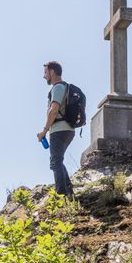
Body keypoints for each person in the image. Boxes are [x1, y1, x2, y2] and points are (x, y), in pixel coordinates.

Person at [37, 61, 75, 196]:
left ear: (52, 72)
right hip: (68, 130)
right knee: (58, 161)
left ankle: (61, 195)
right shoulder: (63, 87)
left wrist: (44, 130)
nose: (44, 76)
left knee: (55, 163)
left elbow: (54, 110)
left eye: (45, 72)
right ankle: (69, 192)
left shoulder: (58, 87)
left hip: (59, 130)